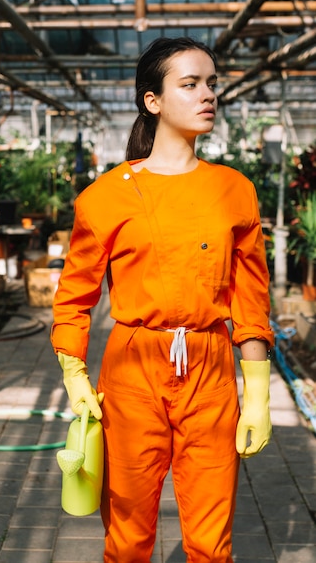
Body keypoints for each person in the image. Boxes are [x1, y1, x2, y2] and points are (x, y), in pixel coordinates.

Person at [51, 36, 274, 563]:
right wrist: (74, 373)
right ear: (152, 101)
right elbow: (74, 293)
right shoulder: (107, 195)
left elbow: (250, 294)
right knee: (126, 535)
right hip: (132, 370)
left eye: (212, 84)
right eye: (190, 84)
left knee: (211, 539)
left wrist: (258, 391)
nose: (208, 96)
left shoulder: (234, 190)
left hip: (210, 369)